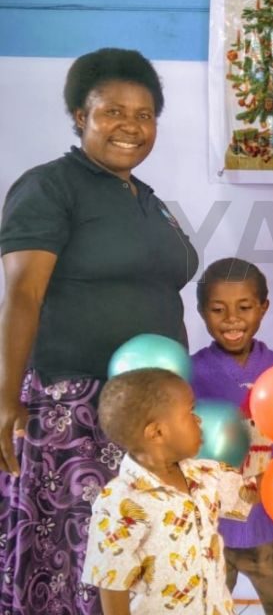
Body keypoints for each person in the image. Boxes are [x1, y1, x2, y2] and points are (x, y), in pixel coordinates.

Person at [0, 48, 199, 615]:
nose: (130, 127)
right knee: (79, 557)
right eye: (112, 111)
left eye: (144, 114)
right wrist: (4, 396)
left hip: (148, 414)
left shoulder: (147, 198)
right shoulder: (50, 187)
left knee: (141, 557)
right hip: (76, 408)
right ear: (78, 116)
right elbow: (22, 294)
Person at [82, 367, 257, 614]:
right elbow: (112, 584)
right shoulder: (119, 502)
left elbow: (251, 493)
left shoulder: (206, 473)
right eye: (191, 411)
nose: (199, 420)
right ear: (157, 432)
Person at [190, 258, 273, 614]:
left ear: (263, 308)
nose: (232, 320)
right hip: (211, 526)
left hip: (268, 524)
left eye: (244, 307)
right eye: (218, 309)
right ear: (201, 312)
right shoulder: (191, 371)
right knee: (205, 605)